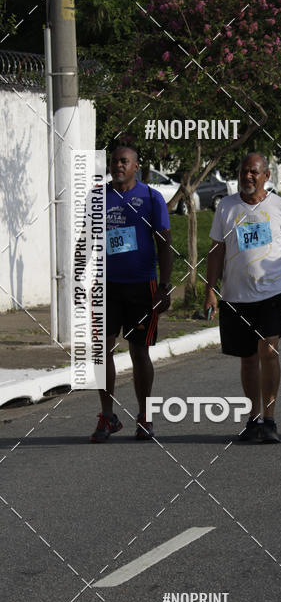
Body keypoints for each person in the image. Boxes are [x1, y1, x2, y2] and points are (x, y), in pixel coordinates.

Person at [204, 153, 281, 444]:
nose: (248, 176)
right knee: (247, 359)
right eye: (243, 171)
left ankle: (269, 419)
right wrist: (210, 289)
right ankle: (253, 418)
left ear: (266, 176)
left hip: (271, 292)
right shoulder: (226, 206)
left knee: (269, 352)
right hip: (236, 295)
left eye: (254, 172)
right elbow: (216, 250)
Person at [91, 146, 173, 443]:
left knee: (139, 352)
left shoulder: (152, 198)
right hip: (108, 287)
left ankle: (145, 416)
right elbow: (86, 239)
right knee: (102, 350)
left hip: (142, 287)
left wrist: (164, 286)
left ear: (136, 165)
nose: (117, 166)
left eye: (124, 161)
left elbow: (164, 244)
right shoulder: (98, 197)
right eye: (113, 161)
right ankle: (107, 415)